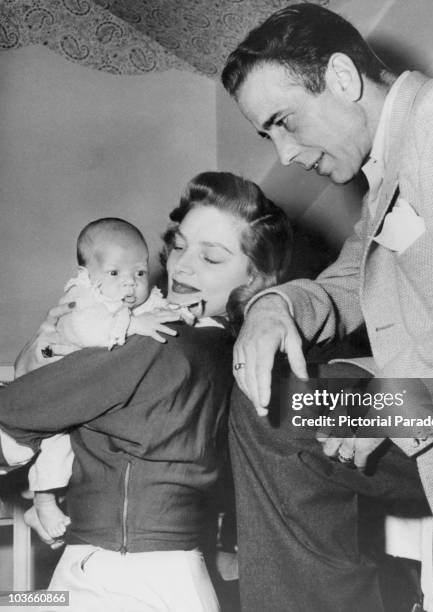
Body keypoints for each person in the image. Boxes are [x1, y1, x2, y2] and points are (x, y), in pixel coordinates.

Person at [221, 4, 433, 612]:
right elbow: (344, 280)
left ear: (341, 77)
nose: (283, 154)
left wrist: (394, 407)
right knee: (275, 411)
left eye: (284, 121)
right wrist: (273, 305)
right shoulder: (384, 172)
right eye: (268, 136)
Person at [0, 171, 292, 612]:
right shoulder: (235, 353)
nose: (181, 267)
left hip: (112, 573)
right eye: (178, 246)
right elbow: (413, 404)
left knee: (13, 601)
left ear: (256, 278)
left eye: (211, 258)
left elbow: (16, 407)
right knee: (18, 602)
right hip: (180, 577)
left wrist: (36, 359)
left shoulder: (159, 343)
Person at [23, 217, 193, 548]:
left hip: (95, 396)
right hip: (62, 391)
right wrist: (132, 323)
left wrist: (180, 312)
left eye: (139, 273)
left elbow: (158, 311)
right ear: (86, 274)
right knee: (57, 444)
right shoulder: (82, 296)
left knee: (82, 456)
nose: (130, 284)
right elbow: (86, 328)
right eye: (115, 273)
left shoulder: (139, 302)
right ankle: (42, 502)